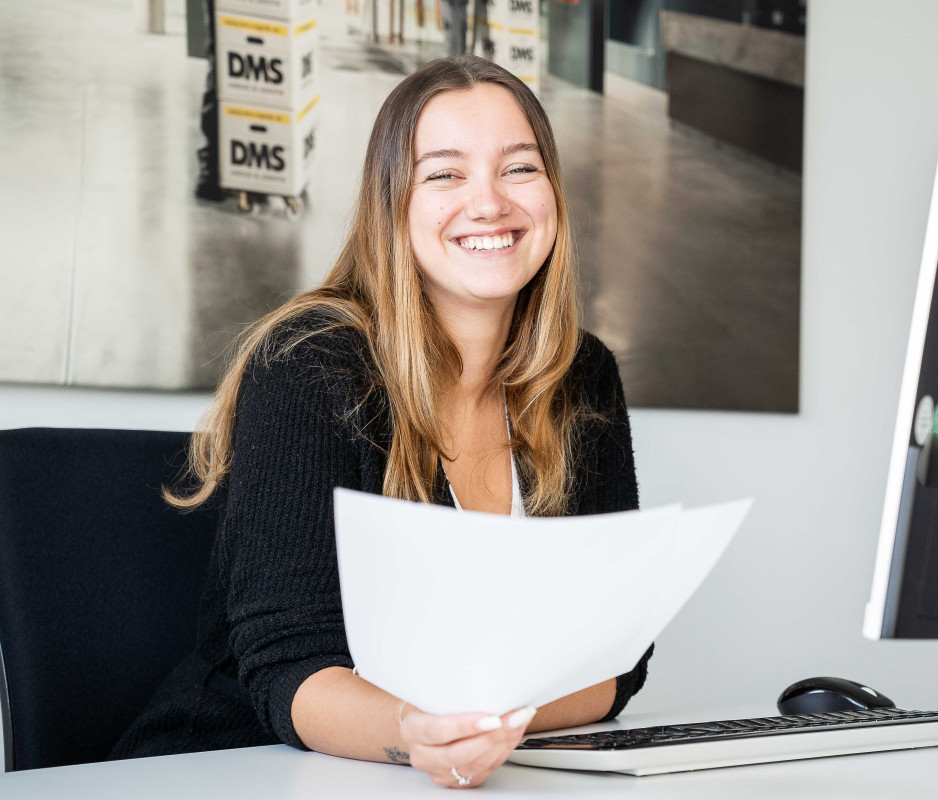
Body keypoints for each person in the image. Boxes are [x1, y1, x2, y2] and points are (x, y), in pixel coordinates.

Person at [110, 55, 653, 789]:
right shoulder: (310, 366)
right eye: (445, 174)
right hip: (238, 767)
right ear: (392, 202)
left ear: (553, 191)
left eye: (519, 168)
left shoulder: (580, 375)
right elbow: (290, 669)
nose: (489, 203)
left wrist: (474, 730)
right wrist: (419, 734)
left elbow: (615, 664)